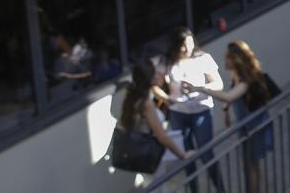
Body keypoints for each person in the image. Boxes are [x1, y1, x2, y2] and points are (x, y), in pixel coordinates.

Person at [190, 42, 280, 193]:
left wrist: (200, 88)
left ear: (237, 59)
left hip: (255, 127)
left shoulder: (247, 80)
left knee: (250, 165)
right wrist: (226, 110)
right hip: (248, 127)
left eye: (228, 57)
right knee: (250, 165)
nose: (225, 60)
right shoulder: (237, 77)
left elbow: (228, 96)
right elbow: (232, 98)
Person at [154, 27, 224, 193]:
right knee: (186, 157)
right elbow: (155, 86)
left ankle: (221, 189)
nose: (187, 50)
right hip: (178, 113)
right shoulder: (166, 62)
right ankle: (194, 189)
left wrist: (199, 88)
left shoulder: (203, 58)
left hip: (201, 111)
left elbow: (218, 84)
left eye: (190, 45)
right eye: (183, 46)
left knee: (206, 153)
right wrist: (166, 98)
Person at [115, 60, 193, 172]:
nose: (159, 74)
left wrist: (166, 99)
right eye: (155, 73)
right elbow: (161, 137)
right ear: (150, 78)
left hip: (139, 153)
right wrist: (183, 155)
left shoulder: (132, 95)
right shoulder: (146, 104)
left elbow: (155, 91)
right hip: (150, 155)